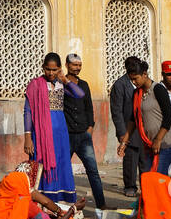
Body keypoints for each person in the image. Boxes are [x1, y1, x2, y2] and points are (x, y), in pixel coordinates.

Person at [22, 53, 84, 203]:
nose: (51, 73)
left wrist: (66, 80)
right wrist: (28, 137)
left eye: (55, 69)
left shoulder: (62, 84)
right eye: (48, 69)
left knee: (61, 163)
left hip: (60, 133)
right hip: (41, 134)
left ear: (60, 69)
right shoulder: (35, 84)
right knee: (41, 164)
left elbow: (80, 94)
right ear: (43, 68)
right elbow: (28, 111)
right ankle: (42, 201)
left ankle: (60, 201)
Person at [116, 58, 171, 177]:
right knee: (147, 178)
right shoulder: (136, 93)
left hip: (165, 143)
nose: (134, 82)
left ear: (144, 74)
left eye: (136, 78)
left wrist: (158, 140)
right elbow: (134, 118)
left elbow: (169, 116)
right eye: (131, 79)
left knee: (157, 179)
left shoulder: (158, 89)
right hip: (149, 144)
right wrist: (124, 143)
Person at [62, 53, 106, 210]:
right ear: (67, 65)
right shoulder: (62, 85)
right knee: (63, 171)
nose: (77, 68)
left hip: (83, 135)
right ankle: (64, 205)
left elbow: (89, 108)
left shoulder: (84, 85)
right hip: (66, 136)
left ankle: (101, 205)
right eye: (74, 65)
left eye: (79, 65)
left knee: (93, 171)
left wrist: (90, 129)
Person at [110, 57, 143, 197]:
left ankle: (146, 185)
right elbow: (116, 111)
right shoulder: (120, 85)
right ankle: (130, 186)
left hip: (143, 128)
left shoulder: (142, 82)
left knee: (144, 160)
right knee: (130, 159)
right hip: (128, 128)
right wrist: (122, 133)